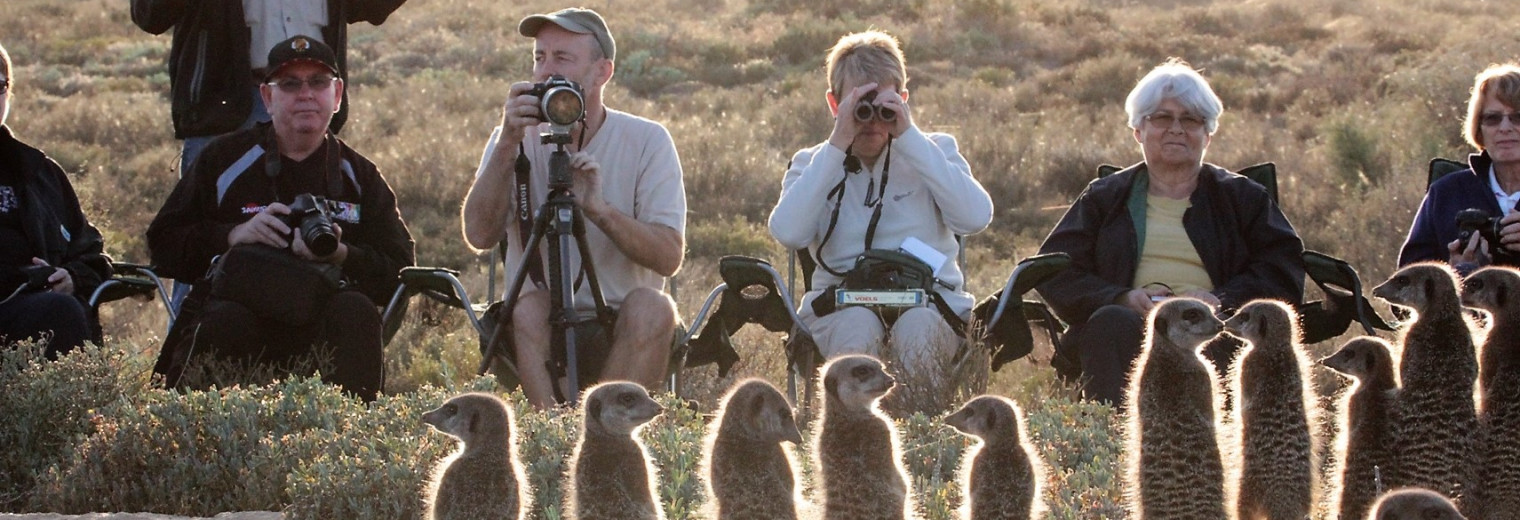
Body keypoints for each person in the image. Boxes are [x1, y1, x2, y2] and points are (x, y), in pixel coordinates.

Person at [146, 36, 414, 402]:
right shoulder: (222, 160)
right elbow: (162, 244)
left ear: (337, 96)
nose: (305, 94)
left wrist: (339, 255)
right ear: (267, 98)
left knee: (355, 311)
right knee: (223, 320)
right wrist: (234, 236)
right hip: (240, 316)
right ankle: (200, 439)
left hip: (323, 323)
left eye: (318, 82)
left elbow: (401, 273)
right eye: (290, 84)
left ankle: (355, 442)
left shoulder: (360, 176)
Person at [1034, 59, 1304, 405]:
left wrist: (1221, 299)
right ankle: (1113, 446)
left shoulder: (1243, 197)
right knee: (1110, 323)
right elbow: (1055, 269)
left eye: (1190, 119)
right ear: (1138, 131)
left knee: (1225, 333)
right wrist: (1121, 297)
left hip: (1217, 329)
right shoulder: (1105, 197)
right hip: (1132, 328)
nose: (1176, 128)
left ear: (1208, 134)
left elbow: (1283, 269)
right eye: (1162, 118)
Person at [460, 8, 685, 409]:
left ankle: (607, 435)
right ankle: (554, 440)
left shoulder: (648, 140)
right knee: (529, 305)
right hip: (538, 326)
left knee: (654, 306)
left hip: (623, 321)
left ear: (602, 72)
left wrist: (600, 211)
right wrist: (508, 143)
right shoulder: (513, 138)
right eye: (539, 58)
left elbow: (669, 257)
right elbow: (478, 235)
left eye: (562, 58)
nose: (546, 72)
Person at [767, 30, 993, 413]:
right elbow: (788, 231)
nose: (871, 120)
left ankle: (921, 443)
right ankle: (852, 447)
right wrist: (837, 145)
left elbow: (975, 216)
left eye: (884, 105)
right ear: (834, 103)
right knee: (858, 326)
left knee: (917, 330)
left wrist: (909, 138)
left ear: (902, 101)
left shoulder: (935, 151)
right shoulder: (812, 163)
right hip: (839, 308)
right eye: (859, 105)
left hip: (932, 305)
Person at [130, 0, 409, 309]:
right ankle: (192, 350)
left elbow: (373, 7)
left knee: (324, 244)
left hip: (311, 97)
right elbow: (151, 15)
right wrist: (230, 235)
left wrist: (346, 254)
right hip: (226, 98)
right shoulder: (223, 157)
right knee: (206, 260)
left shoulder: (356, 169)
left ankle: (323, 343)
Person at [0, 42, 113, 359]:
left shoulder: (40, 173)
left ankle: (74, 408)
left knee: (61, 309)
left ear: (9, 93)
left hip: (29, 309)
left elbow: (93, 256)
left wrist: (71, 278)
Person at [1399, 63, 1520, 272]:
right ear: (1479, 129)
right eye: (1493, 118)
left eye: (1518, 117)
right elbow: (1405, 286)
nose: (1505, 127)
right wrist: (1454, 277)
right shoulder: (1446, 194)